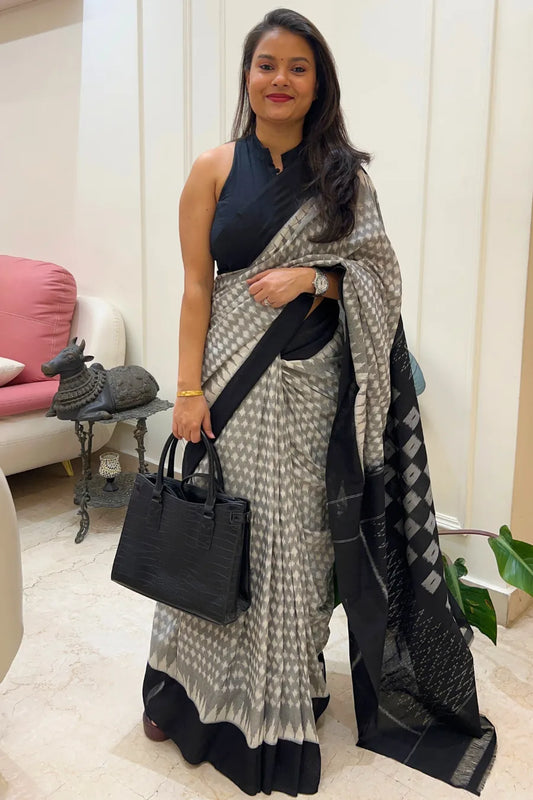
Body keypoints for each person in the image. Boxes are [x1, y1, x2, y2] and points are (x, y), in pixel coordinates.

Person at [142, 8, 496, 797]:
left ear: (317, 83)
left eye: (297, 67)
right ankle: (181, 693)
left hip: (313, 395)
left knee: (295, 550)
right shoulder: (212, 168)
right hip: (227, 386)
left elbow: (380, 279)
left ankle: (281, 704)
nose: (280, 79)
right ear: (247, 75)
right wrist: (187, 390)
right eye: (266, 64)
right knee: (213, 533)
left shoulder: (344, 179)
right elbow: (197, 287)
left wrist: (316, 278)